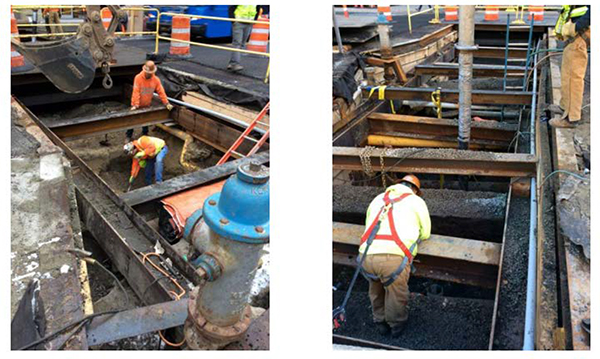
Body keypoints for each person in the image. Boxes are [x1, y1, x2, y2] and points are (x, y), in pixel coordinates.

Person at [359, 175, 431, 337]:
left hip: (366, 256)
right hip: (393, 259)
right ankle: (396, 327)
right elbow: (426, 233)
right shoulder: (416, 201)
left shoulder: (378, 199)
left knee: (376, 289)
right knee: (396, 294)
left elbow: (369, 225)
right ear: (415, 190)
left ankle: (380, 323)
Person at [549, 5, 590, 128]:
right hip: (575, 35)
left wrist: (577, 27)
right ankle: (564, 106)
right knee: (567, 74)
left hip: (579, 34)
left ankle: (571, 118)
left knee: (573, 78)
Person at [127, 61, 173, 143]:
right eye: (148, 72)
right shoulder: (138, 78)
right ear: (144, 70)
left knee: (145, 120)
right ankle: (128, 136)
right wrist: (136, 105)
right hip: (136, 104)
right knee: (132, 120)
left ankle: (145, 134)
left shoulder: (155, 80)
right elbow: (136, 91)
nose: (149, 74)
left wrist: (166, 103)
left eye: (151, 73)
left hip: (146, 104)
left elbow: (161, 91)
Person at [227, 5, 265, 72]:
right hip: (239, 22)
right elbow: (231, 8)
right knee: (237, 43)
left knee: (242, 44)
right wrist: (233, 20)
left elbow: (258, 8)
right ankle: (235, 64)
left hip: (249, 23)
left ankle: (232, 63)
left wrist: (254, 20)